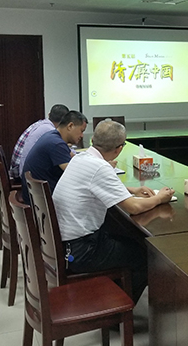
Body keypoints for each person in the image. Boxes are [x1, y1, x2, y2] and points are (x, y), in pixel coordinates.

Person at [53, 119, 175, 302]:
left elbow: (95, 185)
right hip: (83, 251)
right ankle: (119, 308)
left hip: (69, 245)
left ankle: (114, 295)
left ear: (93, 140)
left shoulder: (81, 158)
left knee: (131, 238)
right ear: (118, 149)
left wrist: (131, 190)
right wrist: (160, 198)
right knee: (146, 257)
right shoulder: (100, 166)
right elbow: (133, 207)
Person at [20, 110, 87, 205]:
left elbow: (74, 157)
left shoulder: (52, 136)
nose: (82, 135)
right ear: (70, 126)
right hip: (42, 202)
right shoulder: (56, 143)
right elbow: (74, 174)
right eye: (81, 131)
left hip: (36, 196)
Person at [9, 104, 69, 178]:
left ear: (49, 115)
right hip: (23, 174)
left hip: (19, 168)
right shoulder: (50, 130)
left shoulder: (41, 124)